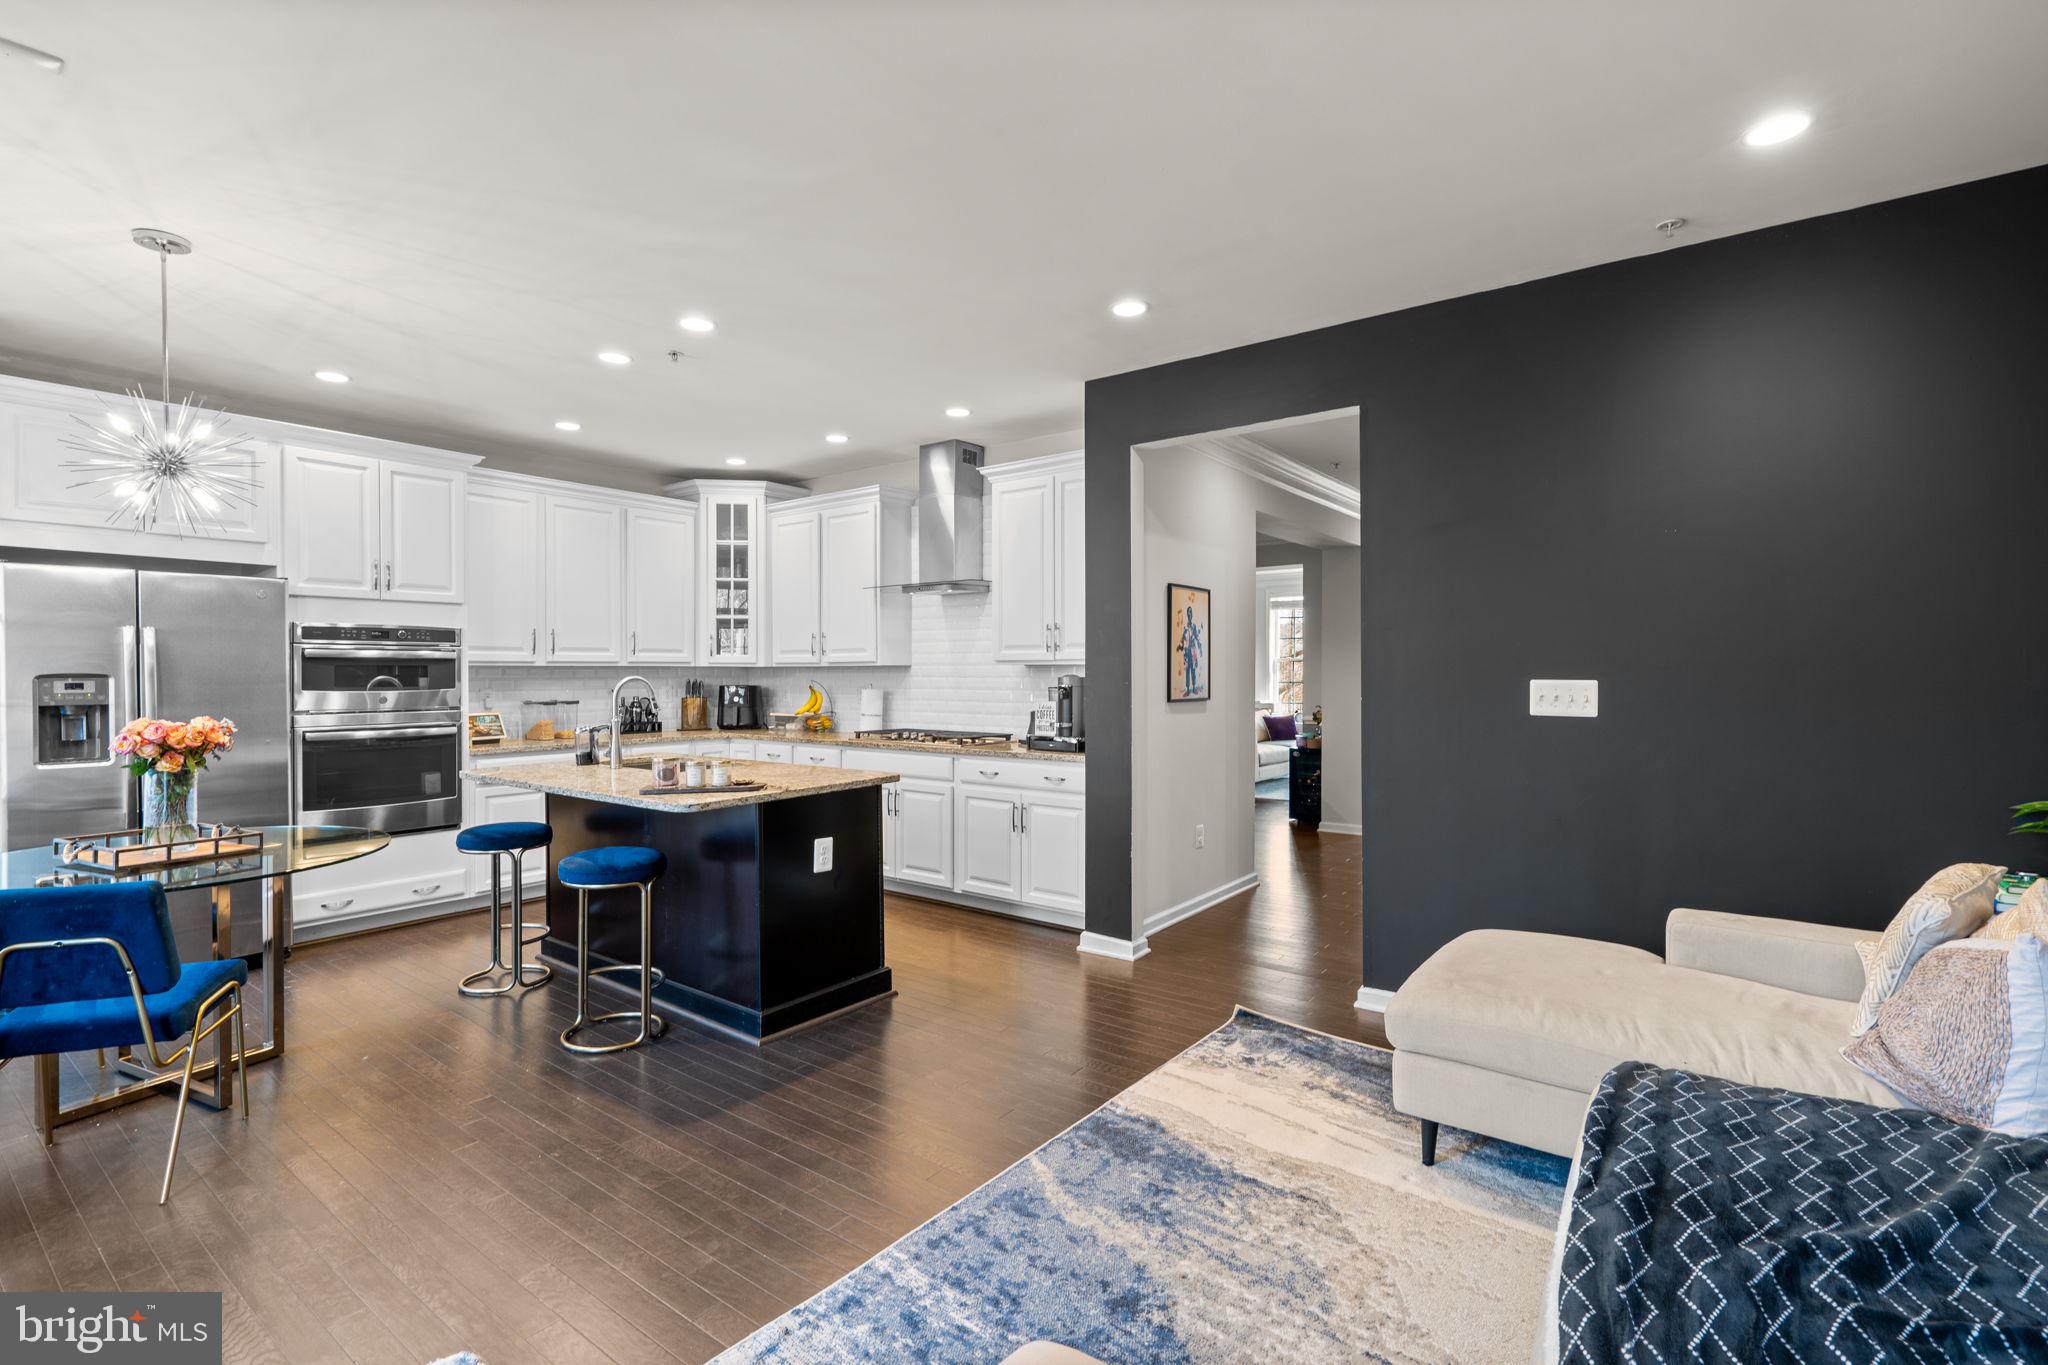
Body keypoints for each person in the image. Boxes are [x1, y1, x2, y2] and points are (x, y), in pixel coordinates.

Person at [1177, 602, 1205, 698]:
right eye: (1188, 612)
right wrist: (1180, 646)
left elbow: (1197, 638)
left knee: (1193, 670)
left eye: (1190, 612)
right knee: (1187, 671)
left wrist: (1200, 648)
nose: (1189, 614)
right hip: (1187, 651)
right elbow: (1182, 639)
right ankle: (1188, 689)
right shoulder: (1185, 628)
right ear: (1186, 614)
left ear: (1192, 615)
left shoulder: (1194, 627)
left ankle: (1194, 688)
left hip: (1193, 651)